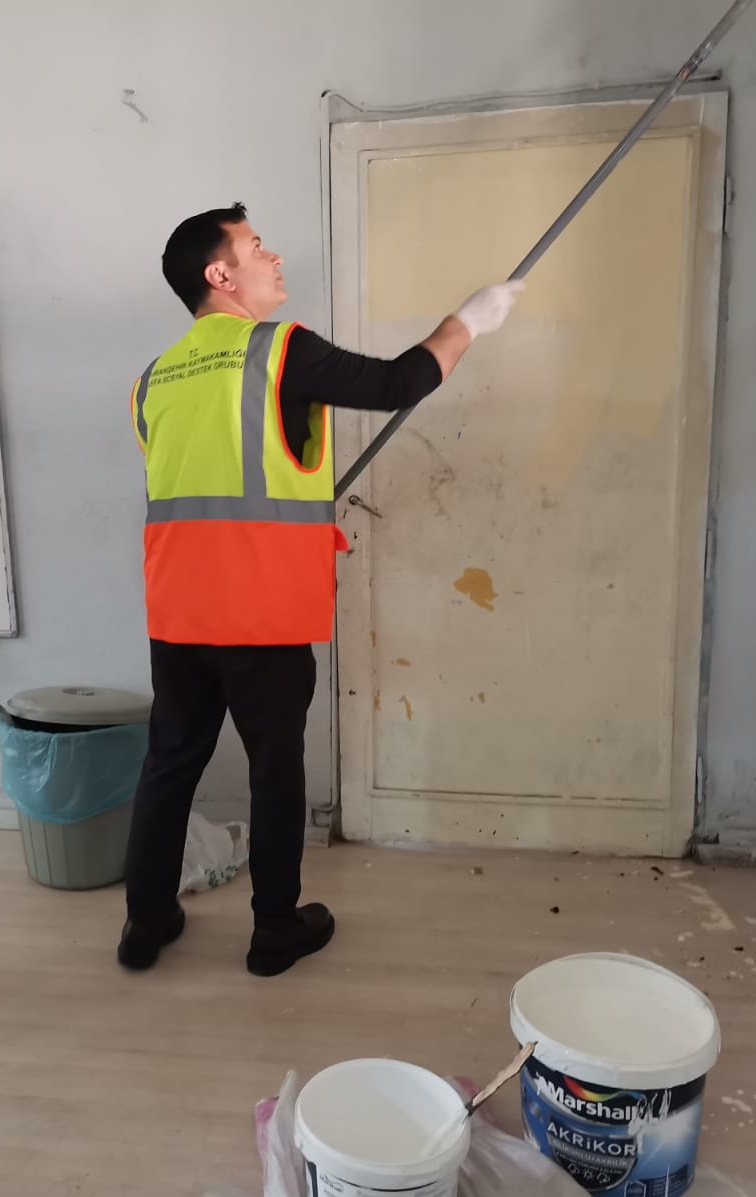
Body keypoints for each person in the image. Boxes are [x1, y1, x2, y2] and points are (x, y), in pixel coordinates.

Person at [119, 202, 522, 977]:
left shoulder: (151, 382)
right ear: (220, 274)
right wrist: (468, 321)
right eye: (256, 247)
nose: (273, 258)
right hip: (263, 615)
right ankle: (274, 930)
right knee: (274, 770)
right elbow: (401, 380)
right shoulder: (278, 351)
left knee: (169, 762)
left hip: (178, 612)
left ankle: (146, 921)